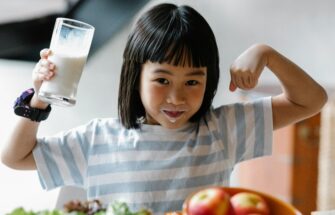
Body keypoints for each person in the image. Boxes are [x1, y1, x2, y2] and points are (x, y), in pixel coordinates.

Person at [1, 3, 327, 214]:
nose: (176, 98)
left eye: (192, 82)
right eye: (162, 80)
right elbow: (15, 157)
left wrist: (265, 53)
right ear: (136, 76)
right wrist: (40, 98)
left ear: (209, 80)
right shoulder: (98, 138)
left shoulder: (223, 129)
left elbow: (311, 100)